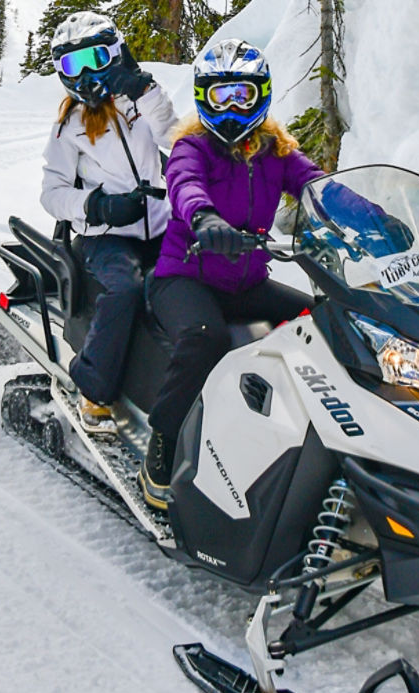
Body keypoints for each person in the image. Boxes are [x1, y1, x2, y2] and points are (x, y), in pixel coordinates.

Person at [139, 39, 324, 509]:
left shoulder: (276, 152)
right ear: (204, 99)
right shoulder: (193, 146)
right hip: (184, 278)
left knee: (321, 320)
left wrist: (365, 215)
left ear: (260, 95)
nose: (232, 108)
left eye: (241, 94)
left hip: (246, 284)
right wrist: (205, 218)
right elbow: (184, 183)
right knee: (205, 338)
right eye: (221, 97)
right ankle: (160, 447)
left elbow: (317, 185)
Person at [39, 11, 178, 432]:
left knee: (197, 286)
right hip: (105, 238)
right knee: (125, 289)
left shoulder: (143, 102)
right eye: (71, 65)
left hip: (161, 226)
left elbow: (179, 142)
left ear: (116, 53)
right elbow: (51, 193)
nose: (84, 75)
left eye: (94, 58)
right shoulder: (71, 123)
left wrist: (147, 92)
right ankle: (93, 385)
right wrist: (97, 207)